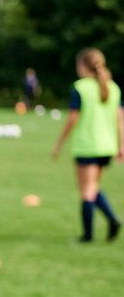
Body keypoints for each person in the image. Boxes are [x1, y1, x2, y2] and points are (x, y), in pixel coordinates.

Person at [52, 47, 123, 242]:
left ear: (83, 66)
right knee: (93, 187)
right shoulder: (113, 87)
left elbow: (72, 119)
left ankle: (89, 235)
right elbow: (120, 119)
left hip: (87, 145)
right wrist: (121, 145)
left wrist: (59, 143)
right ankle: (111, 221)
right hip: (107, 146)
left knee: (87, 190)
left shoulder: (81, 87)